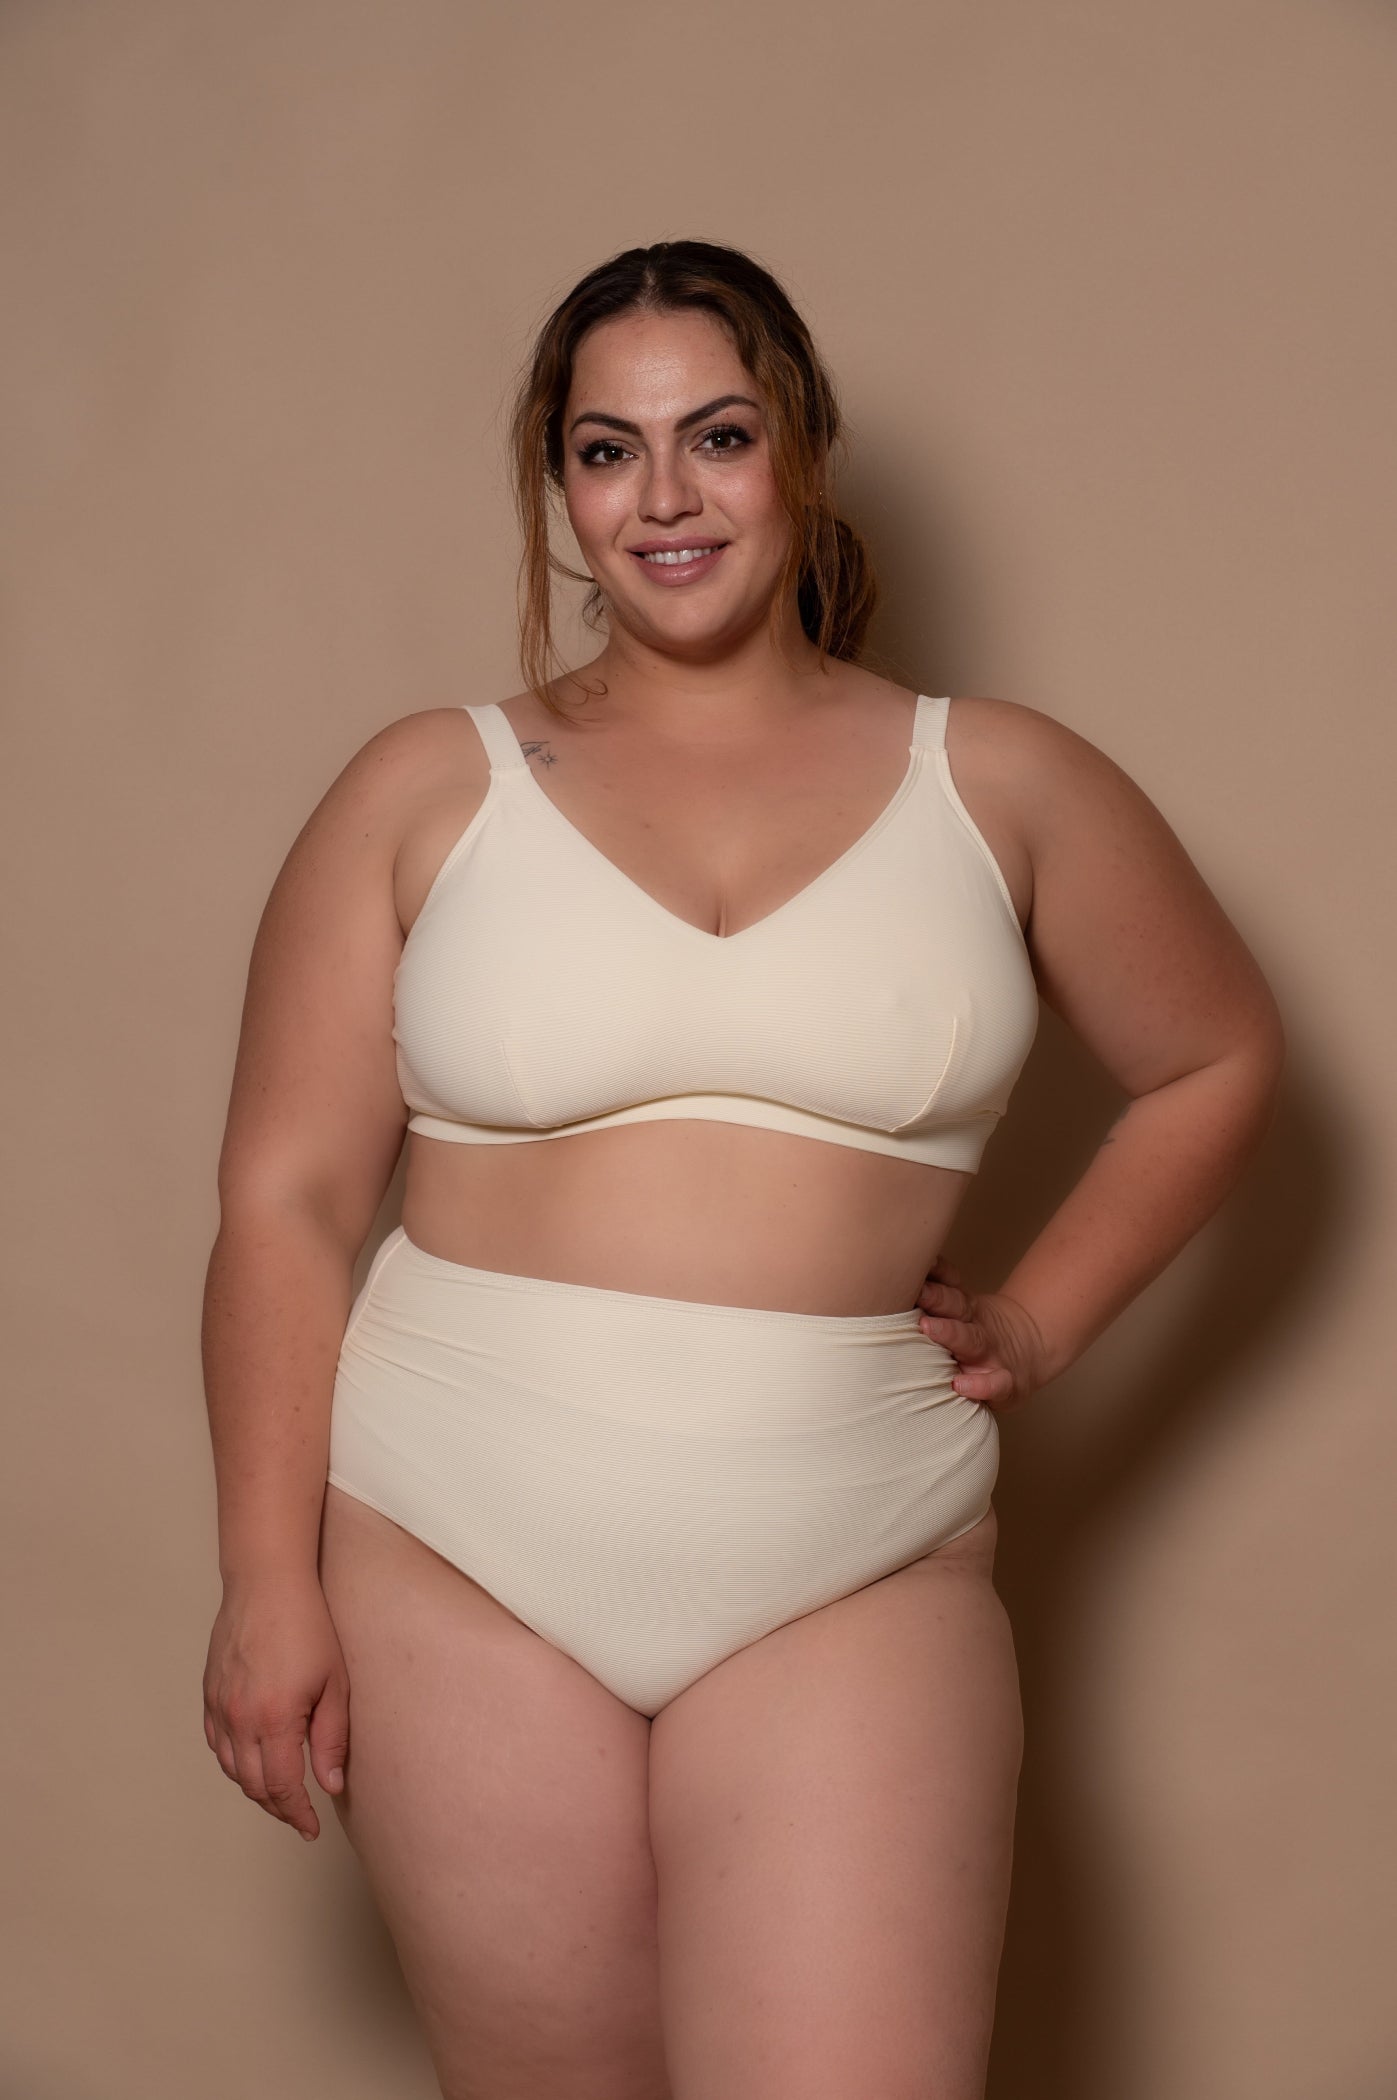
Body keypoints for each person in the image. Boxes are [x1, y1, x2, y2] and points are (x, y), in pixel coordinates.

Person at [200, 239, 1285, 2100]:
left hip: (848, 1549)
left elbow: (1214, 1058)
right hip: (454, 1545)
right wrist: (258, 1581)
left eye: (715, 435)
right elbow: (285, 1205)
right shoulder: (426, 787)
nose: (665, 497)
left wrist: (1042, 1315)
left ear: (800, 445)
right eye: (606, 450)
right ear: (559, 485)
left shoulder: (999, 781)